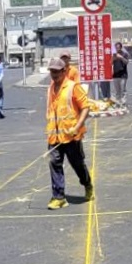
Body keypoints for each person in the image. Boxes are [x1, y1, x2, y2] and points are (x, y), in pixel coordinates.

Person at [45, 58, 93, 210]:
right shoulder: (51, 88)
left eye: (56, 72)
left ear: (64, 71)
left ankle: (87, 184)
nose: (54, 75)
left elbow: (85, 107)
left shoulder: (73, 87)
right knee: (54, 163)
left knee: (77, 164)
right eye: (51, 72)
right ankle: (59, 197)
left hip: (71, 136)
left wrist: (77, 126)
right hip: (55, 136)